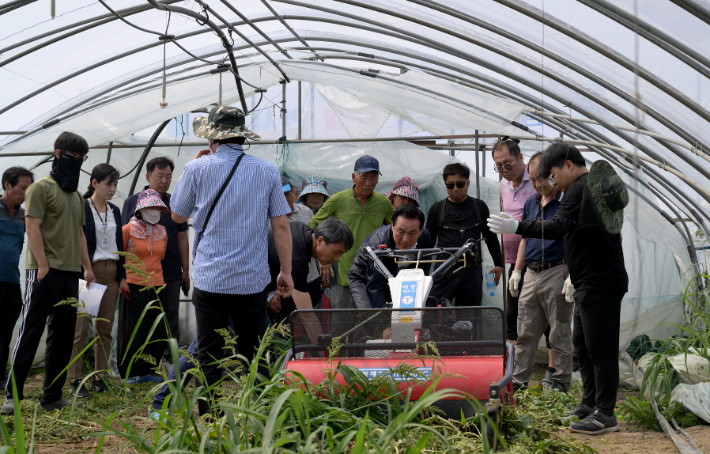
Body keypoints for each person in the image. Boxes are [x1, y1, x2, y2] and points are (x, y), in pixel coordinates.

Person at [488, 143, 629, 435]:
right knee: (584, 345)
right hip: (588, 279)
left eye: (552, 176)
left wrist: (517, 227)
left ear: (567, 165)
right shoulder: (583, 188)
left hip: (598, 280)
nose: (551, 183)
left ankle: (606, 413)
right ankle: (589, 402)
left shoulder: (579, 187)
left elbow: (557, 225)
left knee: (599, 348)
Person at [170, 105, 293, 415]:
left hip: (211, 280)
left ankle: (210, 416)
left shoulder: (197, 169)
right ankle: (261, 413)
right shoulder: (266, 171)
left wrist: (193, 167)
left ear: (213, 138)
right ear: (241, 137)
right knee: (254, 353)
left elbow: (177, 214)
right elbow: (280, 225)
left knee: (208, 355)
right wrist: (286, 272)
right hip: (251, 282)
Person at [1, 132, 95, 415]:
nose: (76, 161)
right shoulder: (40, 188)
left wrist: (87, 267)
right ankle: (12, 396)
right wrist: (42, 264)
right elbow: (32, 227)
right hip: (42, 272)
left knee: (64, 334)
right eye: (72, 156)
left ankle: (52, 396)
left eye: (81, 158)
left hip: (70, 274)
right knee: (31, 330)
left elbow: (79, 233)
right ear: (58, 154)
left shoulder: (77, 195)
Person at [509, 153, 571, 393]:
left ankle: (561, 381)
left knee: (558, 332)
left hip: (556, 270)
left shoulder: (565, 202)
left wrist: (571, 274)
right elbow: (525, 238)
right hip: (531, 273)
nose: (537, 184)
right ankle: (519, 381)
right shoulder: (531, 203)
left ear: (553, 174)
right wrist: (517, 271)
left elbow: (571, 238)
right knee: (525, 331)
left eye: (541, 178)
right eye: (533, 179)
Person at [69, 164, 127, 397]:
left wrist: (122, 275)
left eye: (115, 185)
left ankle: (99, 377)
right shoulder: (83, 207)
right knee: (81, 327)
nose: (113, 189)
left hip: (111, 271)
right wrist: (85, 268)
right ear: (94, 183)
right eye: (108, 184)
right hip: (89, 273)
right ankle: (75, 379)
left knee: (105, 327)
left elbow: (120, 245)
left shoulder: (115, 210)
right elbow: (78, 239)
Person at [308, 155, 393, 310]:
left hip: (373, 274)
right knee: (341, 324)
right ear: (354, 177)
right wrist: (321, 259)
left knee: (369, 324)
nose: (368, 183)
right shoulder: (337, 200)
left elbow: (394, 231)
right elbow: (312, 228)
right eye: (364, 177)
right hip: (342, 273)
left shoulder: (384, 203)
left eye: (373, 178)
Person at [122, 157, 189, 353]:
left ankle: (169, 358)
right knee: (142, 318)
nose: (164, 181)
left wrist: (185, 269)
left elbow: (182, 237)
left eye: (168, 177)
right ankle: (142, 360)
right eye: (160, 176)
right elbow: (124, 240)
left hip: (170, 270)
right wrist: (123, 275)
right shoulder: (133, 202)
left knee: (170, 317)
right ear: (148, 176)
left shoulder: (175, 202)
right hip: (139, 275)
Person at [426, 163, 504, 307]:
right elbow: (428, 244)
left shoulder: (479, 207)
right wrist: (422, 273)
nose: (455, 189)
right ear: (445, 185)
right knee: (434, 313)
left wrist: (499, 264)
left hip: (471, 271)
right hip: (444, 270)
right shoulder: (436, 210)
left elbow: (490, 237)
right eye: (450, 185)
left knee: (470, 316)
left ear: (468, 183)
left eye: (460, 184)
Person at [119, 189, 169, 384]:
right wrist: (122, 279)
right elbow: (119, 256)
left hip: (158, 285)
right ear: (140, 209)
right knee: (134, 329)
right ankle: (128, 372)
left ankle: (148, 369)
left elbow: (161, 257)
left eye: (157, 207)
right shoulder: (127, 230)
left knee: (155, 329)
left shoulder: (162, 231)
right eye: (150, 207)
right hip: (134, 284)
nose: (154, 210)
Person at [267, 218, 353, 327]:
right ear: (320, 240)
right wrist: (323, 344)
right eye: (336, 252)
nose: (336, 259)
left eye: (341, 255)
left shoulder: (303, 229)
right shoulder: (295, 257)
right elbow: (306, 314)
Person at [493, 137, 536, 344]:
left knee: (540, 314)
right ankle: (513, 367)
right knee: (513, 315)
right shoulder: (503, 184)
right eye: (498, 166)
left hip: (537, 259)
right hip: (514, 261)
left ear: (520, 157)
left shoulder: (536, 179)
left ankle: (552, 369)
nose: (504, 169)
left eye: (507, 163)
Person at [349, 204, 431, 310]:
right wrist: (380, 323)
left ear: (420, 230)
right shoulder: (378, 244)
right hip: (364, 279)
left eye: (412, 233)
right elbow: (376, 286)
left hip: (399, 276)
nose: (405, 239)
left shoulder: (425, 238)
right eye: (400, 232)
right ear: (392, 226)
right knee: (368, 313)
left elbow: (424, 272)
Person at [0, 167, 33, 390]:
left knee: (7, 328)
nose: (25, 193)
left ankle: (1, 375)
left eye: (29, 189)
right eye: (22, 188)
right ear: (7, 185)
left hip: (12, 279)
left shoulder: (24, 214)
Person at [384, 176, 431, 247]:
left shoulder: (417, 225)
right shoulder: (381, 213)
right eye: (402, 197)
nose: (406, 201)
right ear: (393, 196)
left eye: (410, 199)